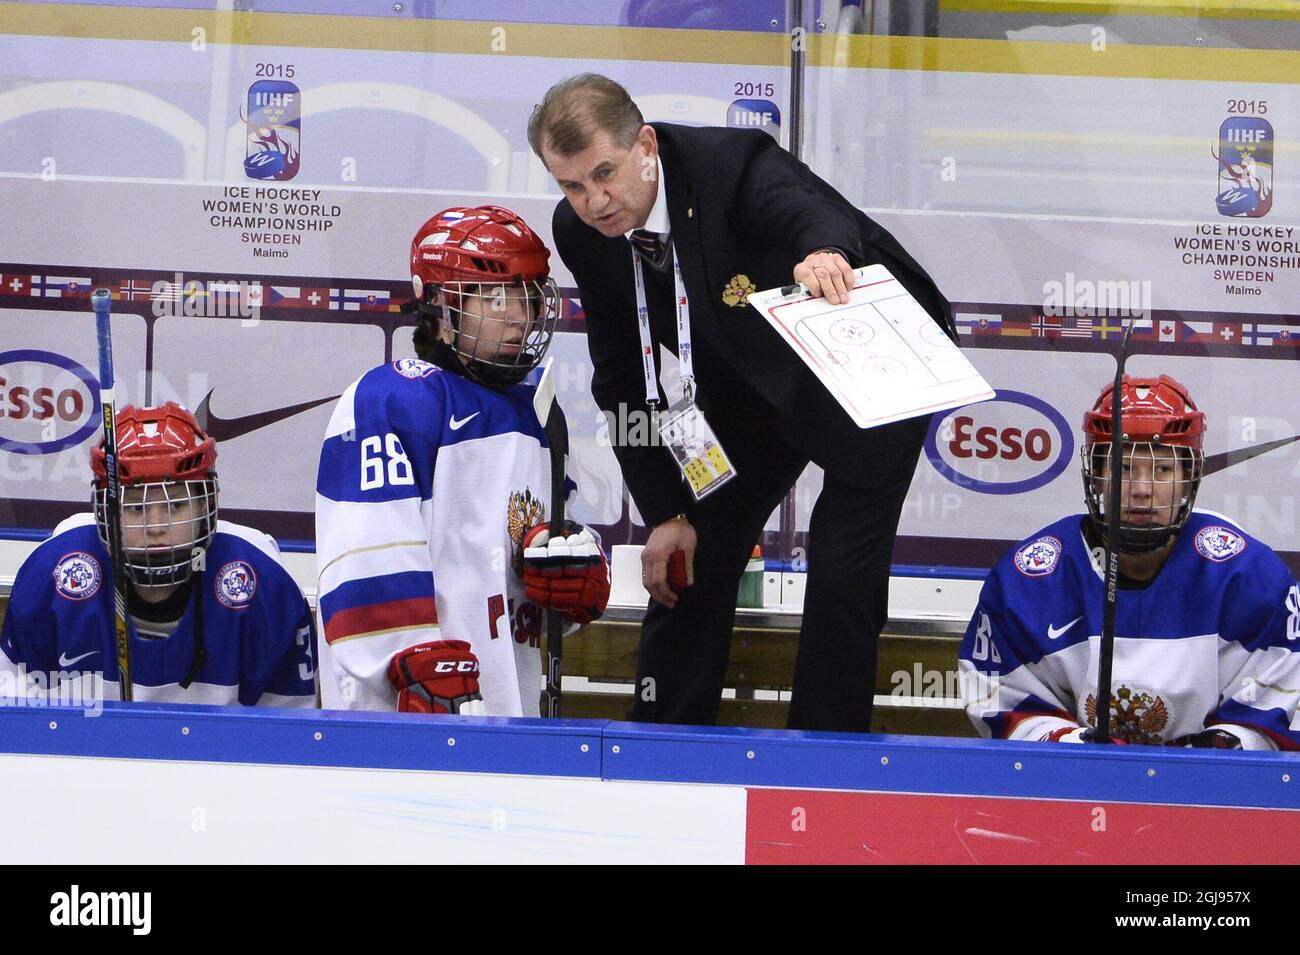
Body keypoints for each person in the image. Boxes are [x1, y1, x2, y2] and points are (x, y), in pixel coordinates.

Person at [528, 73, 956, 731]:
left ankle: (821, 760)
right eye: (572, 185)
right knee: (689, 555)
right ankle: (661, 744)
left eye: (605, 173)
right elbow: (621, 376)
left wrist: (821, 251)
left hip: (864, 359)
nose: (595, 200)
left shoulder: (727, 165)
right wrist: (667, 507)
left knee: (842, 572)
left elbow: (801, 207)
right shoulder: (583, 233)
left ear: (645, 144)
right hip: (747, 374)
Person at [314, 205, 609, 716]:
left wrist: (578, 573)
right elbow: (364, 554)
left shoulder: (539, 408)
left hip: (508, 700)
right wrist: (409, 661)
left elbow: (543, 546)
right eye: (496, 298)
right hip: (401, 712)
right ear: (440, 309)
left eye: (527, 295)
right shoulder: (392, 399)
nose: (521, 315)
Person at [959, 374, 1300, 750]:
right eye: (1122, 468)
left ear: (1189, 477)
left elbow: (1280, 697)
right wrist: (1070, 744)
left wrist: (1224, 746)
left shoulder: (1247, 576)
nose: (1140, 489)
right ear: (1098, 477)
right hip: (1074, 791)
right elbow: (999, 698)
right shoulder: (1029, 580)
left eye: (1162, 470)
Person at [0, 402, 317, 706]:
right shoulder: (51, 575)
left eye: (175, 505)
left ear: (206, 504)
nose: (156, 526)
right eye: (136, 507)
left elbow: (290, 737)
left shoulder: (266, 584)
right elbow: (14, 719)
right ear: (106, 510)